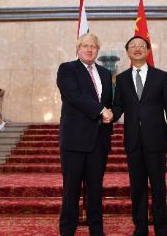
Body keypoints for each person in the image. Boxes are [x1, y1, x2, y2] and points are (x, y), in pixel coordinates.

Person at [110, 36, 167, 236]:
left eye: (141, 46)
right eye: (133, 46)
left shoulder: (161, 76)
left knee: (158, 186)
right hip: (133, 141)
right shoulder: (121, 79)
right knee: (137, 186)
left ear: (148, 51)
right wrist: (109, 116)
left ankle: (161, 228)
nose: (137, 49)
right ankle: (140, 227)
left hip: (157, 139)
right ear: (128, 52)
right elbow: (118, 106)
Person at [56, 33, 113, 236]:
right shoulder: (67, 69)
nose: (89, 49)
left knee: (95, 190)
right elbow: (74, 96)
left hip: (99, 141)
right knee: (71, 190)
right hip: (74, 141)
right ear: (78, 49)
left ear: (98, 50)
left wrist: (111, 112)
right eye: (85, 46)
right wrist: (101, 110)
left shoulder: (106, 74)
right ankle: (67, 231)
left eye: (93, 46)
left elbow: (108, 102)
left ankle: (97, 231)